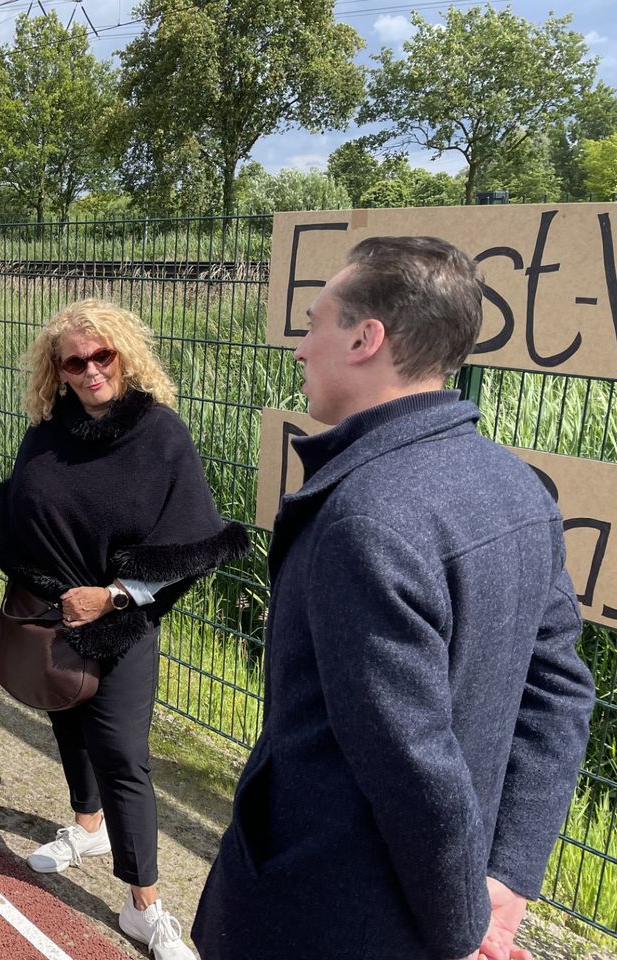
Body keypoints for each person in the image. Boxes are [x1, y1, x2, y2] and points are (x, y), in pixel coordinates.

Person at [191, 236, 596, 960]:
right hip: (437, 898)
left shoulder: (364, 516)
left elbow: (414, 762)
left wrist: (463, 931)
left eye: (313, 324)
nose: (299, 349)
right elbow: (561, 692)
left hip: (326, 915)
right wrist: (505, 878)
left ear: (364, 338)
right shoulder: (520, 488)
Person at [0, 299, 247, 960]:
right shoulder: (47, 430)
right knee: (65, 715)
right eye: (74, 361)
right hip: (55, 611)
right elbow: (18, 503)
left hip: (123, 622)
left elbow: (189, 538)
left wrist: (110, 597)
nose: (90, 370)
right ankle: (86, 825)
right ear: (58, 370)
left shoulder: (162, 434)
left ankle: (146, 906)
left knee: (123, 755)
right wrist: (49, 587)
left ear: (124, 354)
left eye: (101, 355)